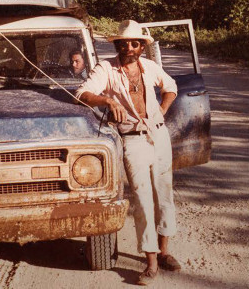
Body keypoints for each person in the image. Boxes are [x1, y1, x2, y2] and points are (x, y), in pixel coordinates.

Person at [76, 20, 180, 285]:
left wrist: (163, 112)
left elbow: (171, 87)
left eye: (135, 43)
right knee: (143, 199)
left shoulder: (151, 67)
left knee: (164, 194)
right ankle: (151, 261)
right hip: (132, 139)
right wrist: (107, 100)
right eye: (124, 43)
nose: (129, 48)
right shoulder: (107, 69)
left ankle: (165, 251)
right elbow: (82, 93)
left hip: (159, 134)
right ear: (117, 45)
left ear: (142, 46)